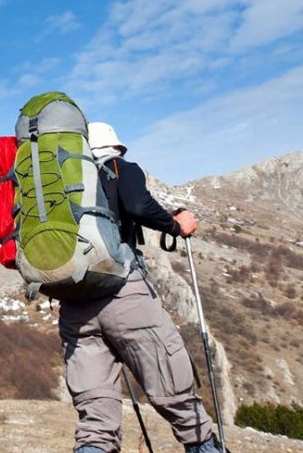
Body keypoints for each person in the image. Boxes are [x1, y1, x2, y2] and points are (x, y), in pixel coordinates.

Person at [59, 122, 222, 453]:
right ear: (116, 148)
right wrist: (176, 225)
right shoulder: (120, 167)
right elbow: (136, 204)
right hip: (124, 293)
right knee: (182, 403)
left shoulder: (63, 180)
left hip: (75, 305)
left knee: (95, 423)